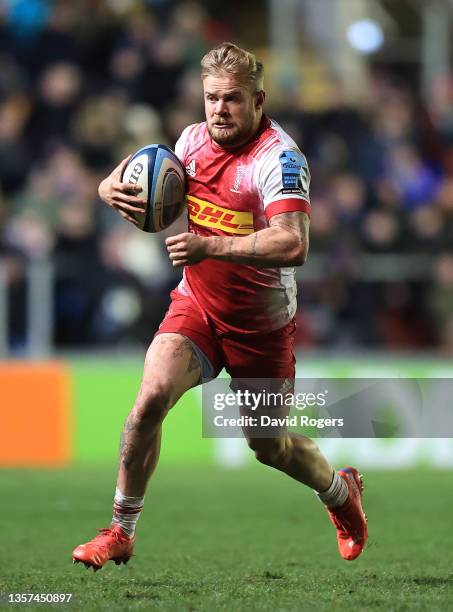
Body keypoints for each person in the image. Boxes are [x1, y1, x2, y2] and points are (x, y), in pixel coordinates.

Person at [72, 42, 367, 571]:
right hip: (198, 308)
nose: (219, 110)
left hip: (261, 327)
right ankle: (121, 529)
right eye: (211, 98)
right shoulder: (189, 141)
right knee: (149, 401)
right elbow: (127, 174)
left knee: (270, 447)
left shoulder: (279, 158)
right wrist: (107, 188)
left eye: (232, 99)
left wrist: (212, 245)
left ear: (259, 101)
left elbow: (293, 244)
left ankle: (340, 493)